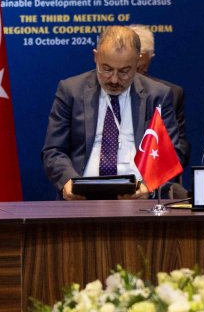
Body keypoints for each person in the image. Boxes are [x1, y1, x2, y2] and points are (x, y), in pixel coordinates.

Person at [42, 25, 187, 199]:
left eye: (124, 71)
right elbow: (54, 150)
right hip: (83, 197)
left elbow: (170, 154)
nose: (114, 79)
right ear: (96, 56)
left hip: (138, 197)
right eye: (107, 69)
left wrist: (147, 187)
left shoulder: (157, 95)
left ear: (137, 62)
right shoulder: (71, 90)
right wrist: (68, 182)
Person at [132, 24, 187, 159]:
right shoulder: (105, 89)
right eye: (128, 68)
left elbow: (181, 148)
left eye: (141, 68)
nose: (134, 76)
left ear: (150, 58)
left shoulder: (170, 94)